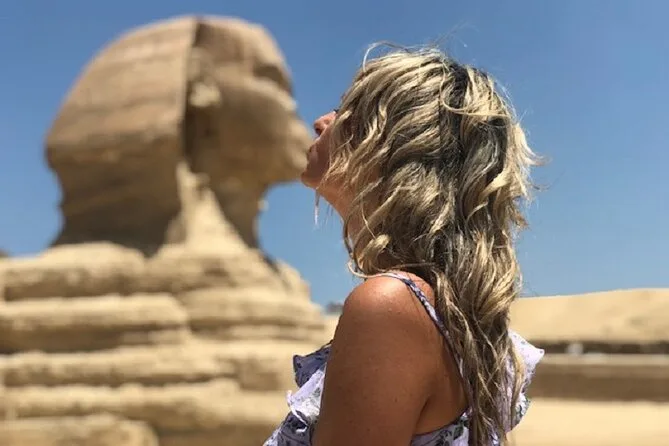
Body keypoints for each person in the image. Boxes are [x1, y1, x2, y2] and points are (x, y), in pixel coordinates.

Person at [264, 44, 544, 446]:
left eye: (347, 112)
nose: (321, 122)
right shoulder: (445, 314)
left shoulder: (389, 306)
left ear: (395, 145)